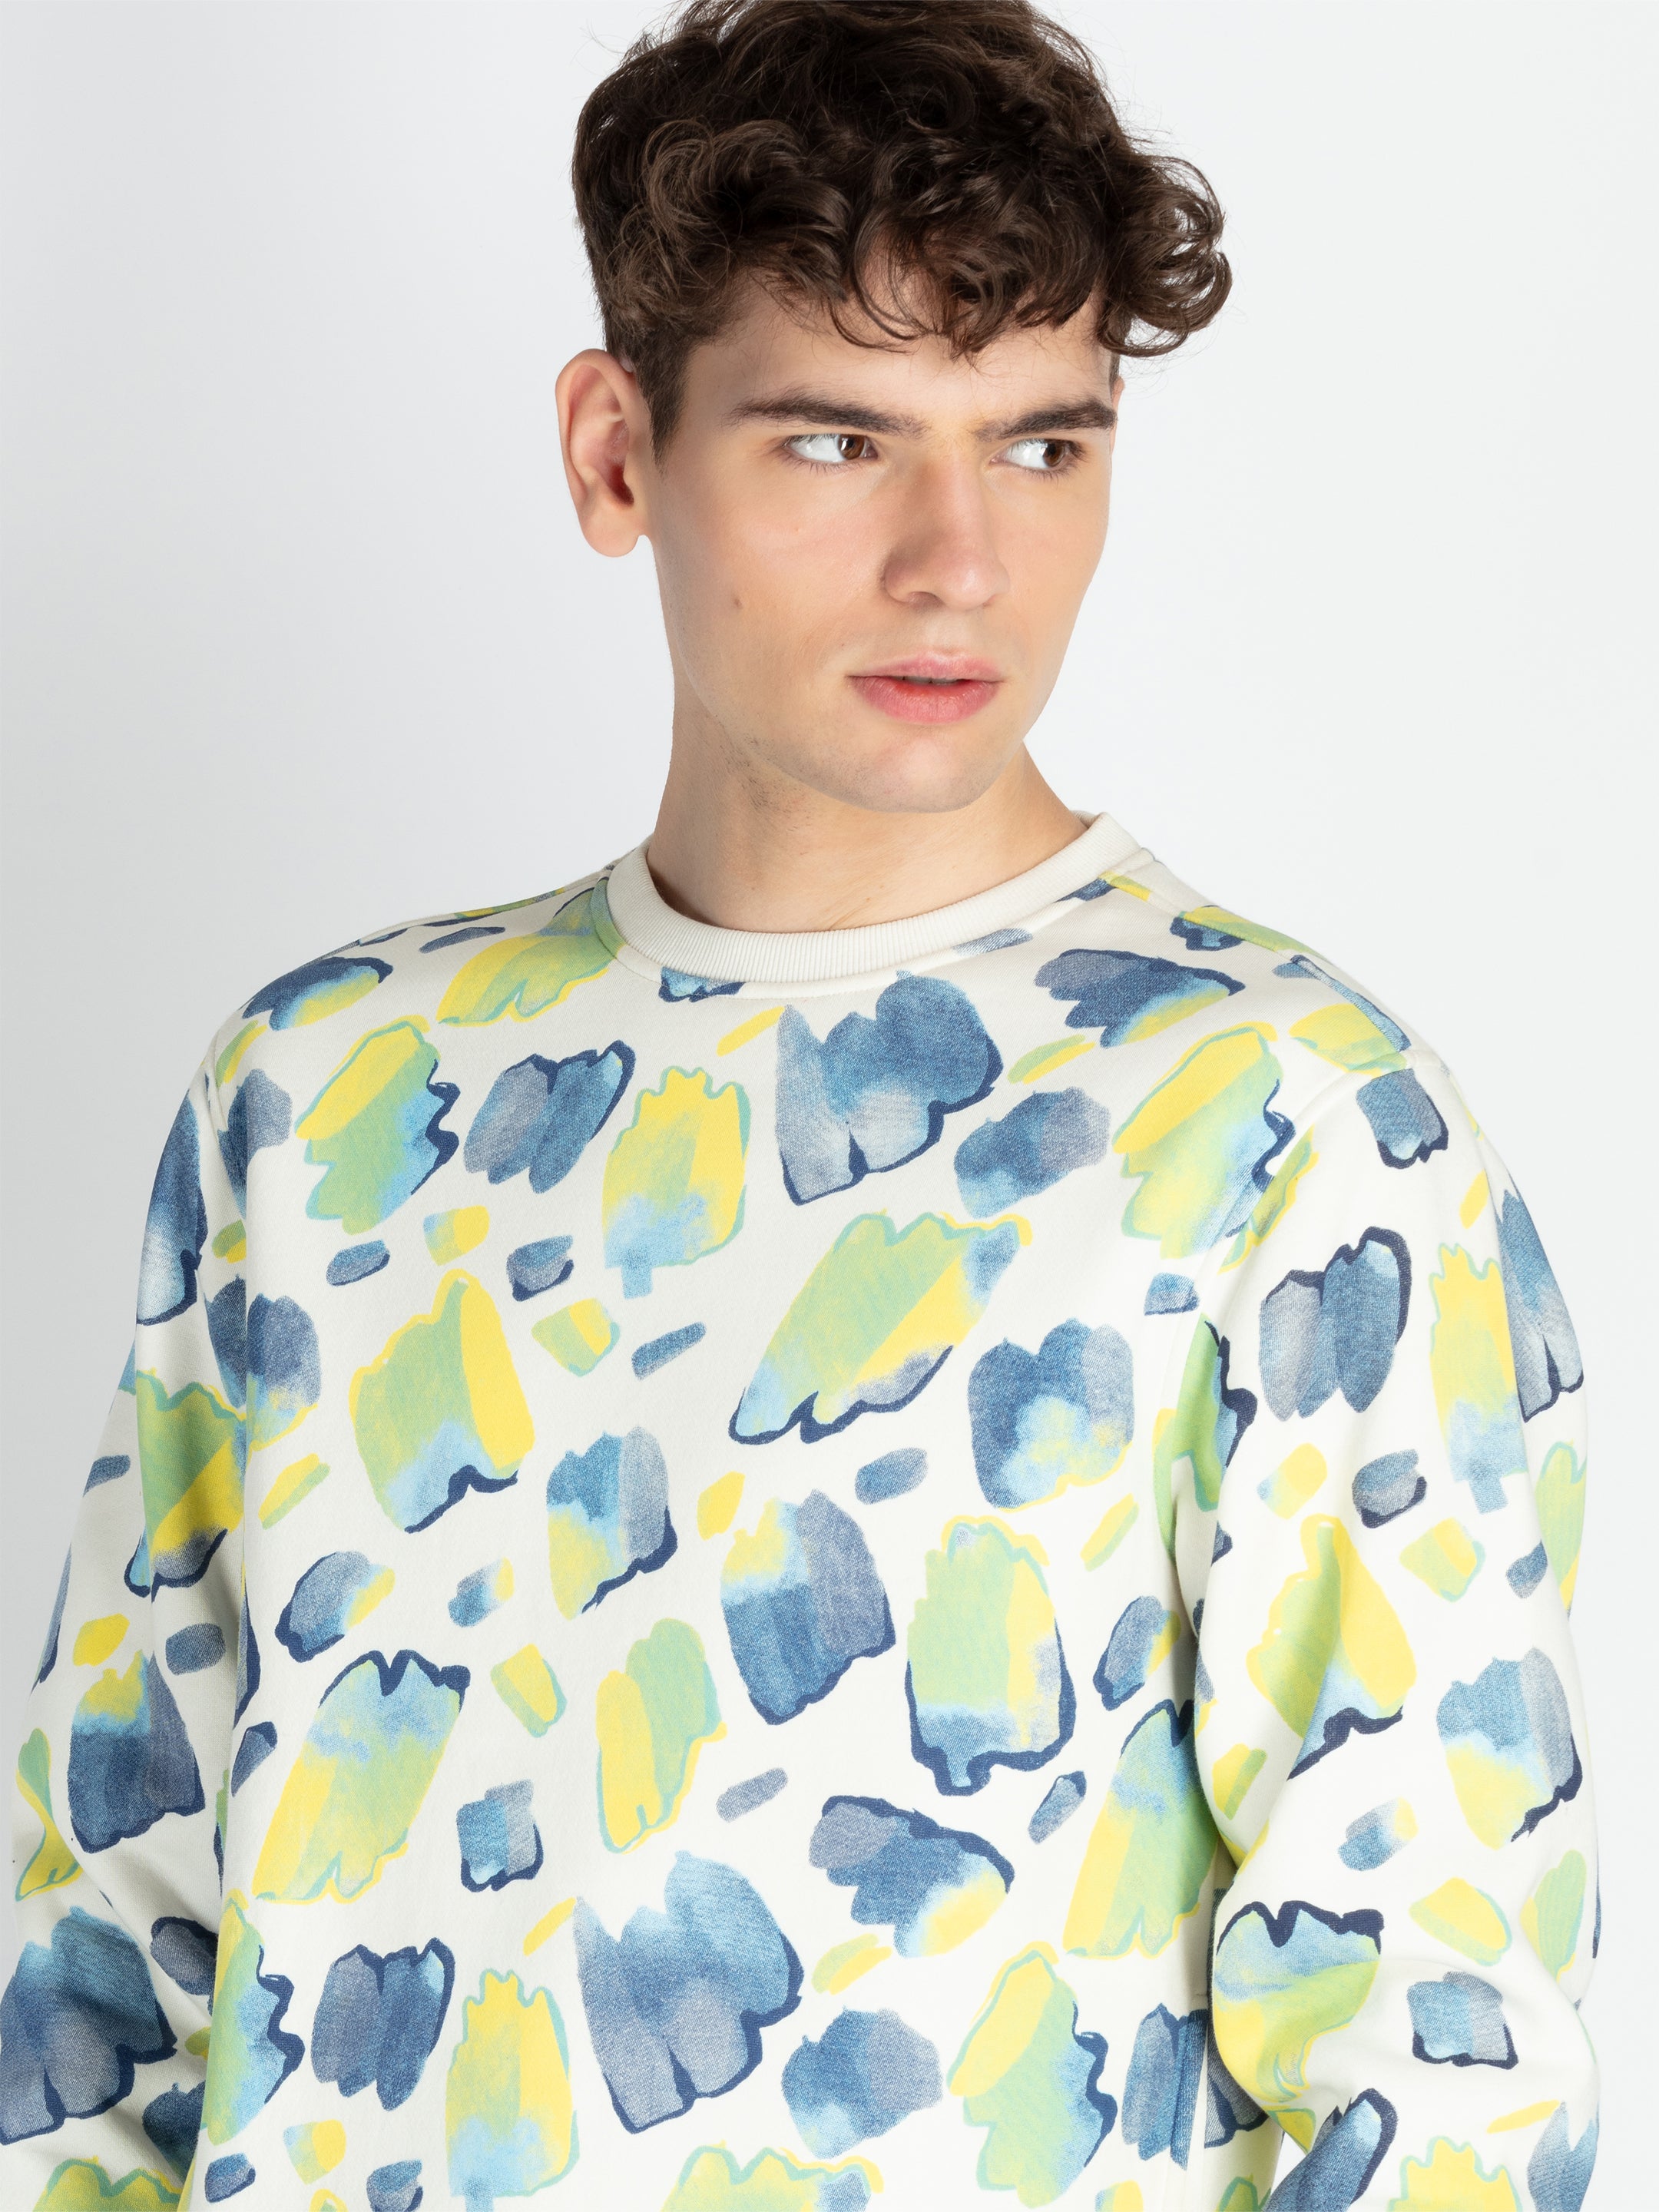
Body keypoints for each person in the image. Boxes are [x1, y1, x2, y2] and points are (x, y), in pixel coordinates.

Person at [1, 1, 1599, 2205]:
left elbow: (1443, 2081)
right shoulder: (322, 1096)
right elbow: (96, 1973)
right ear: (615, 456)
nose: (962, 559)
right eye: (841, 440)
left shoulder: (1293, 1135)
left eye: (1042, 444)